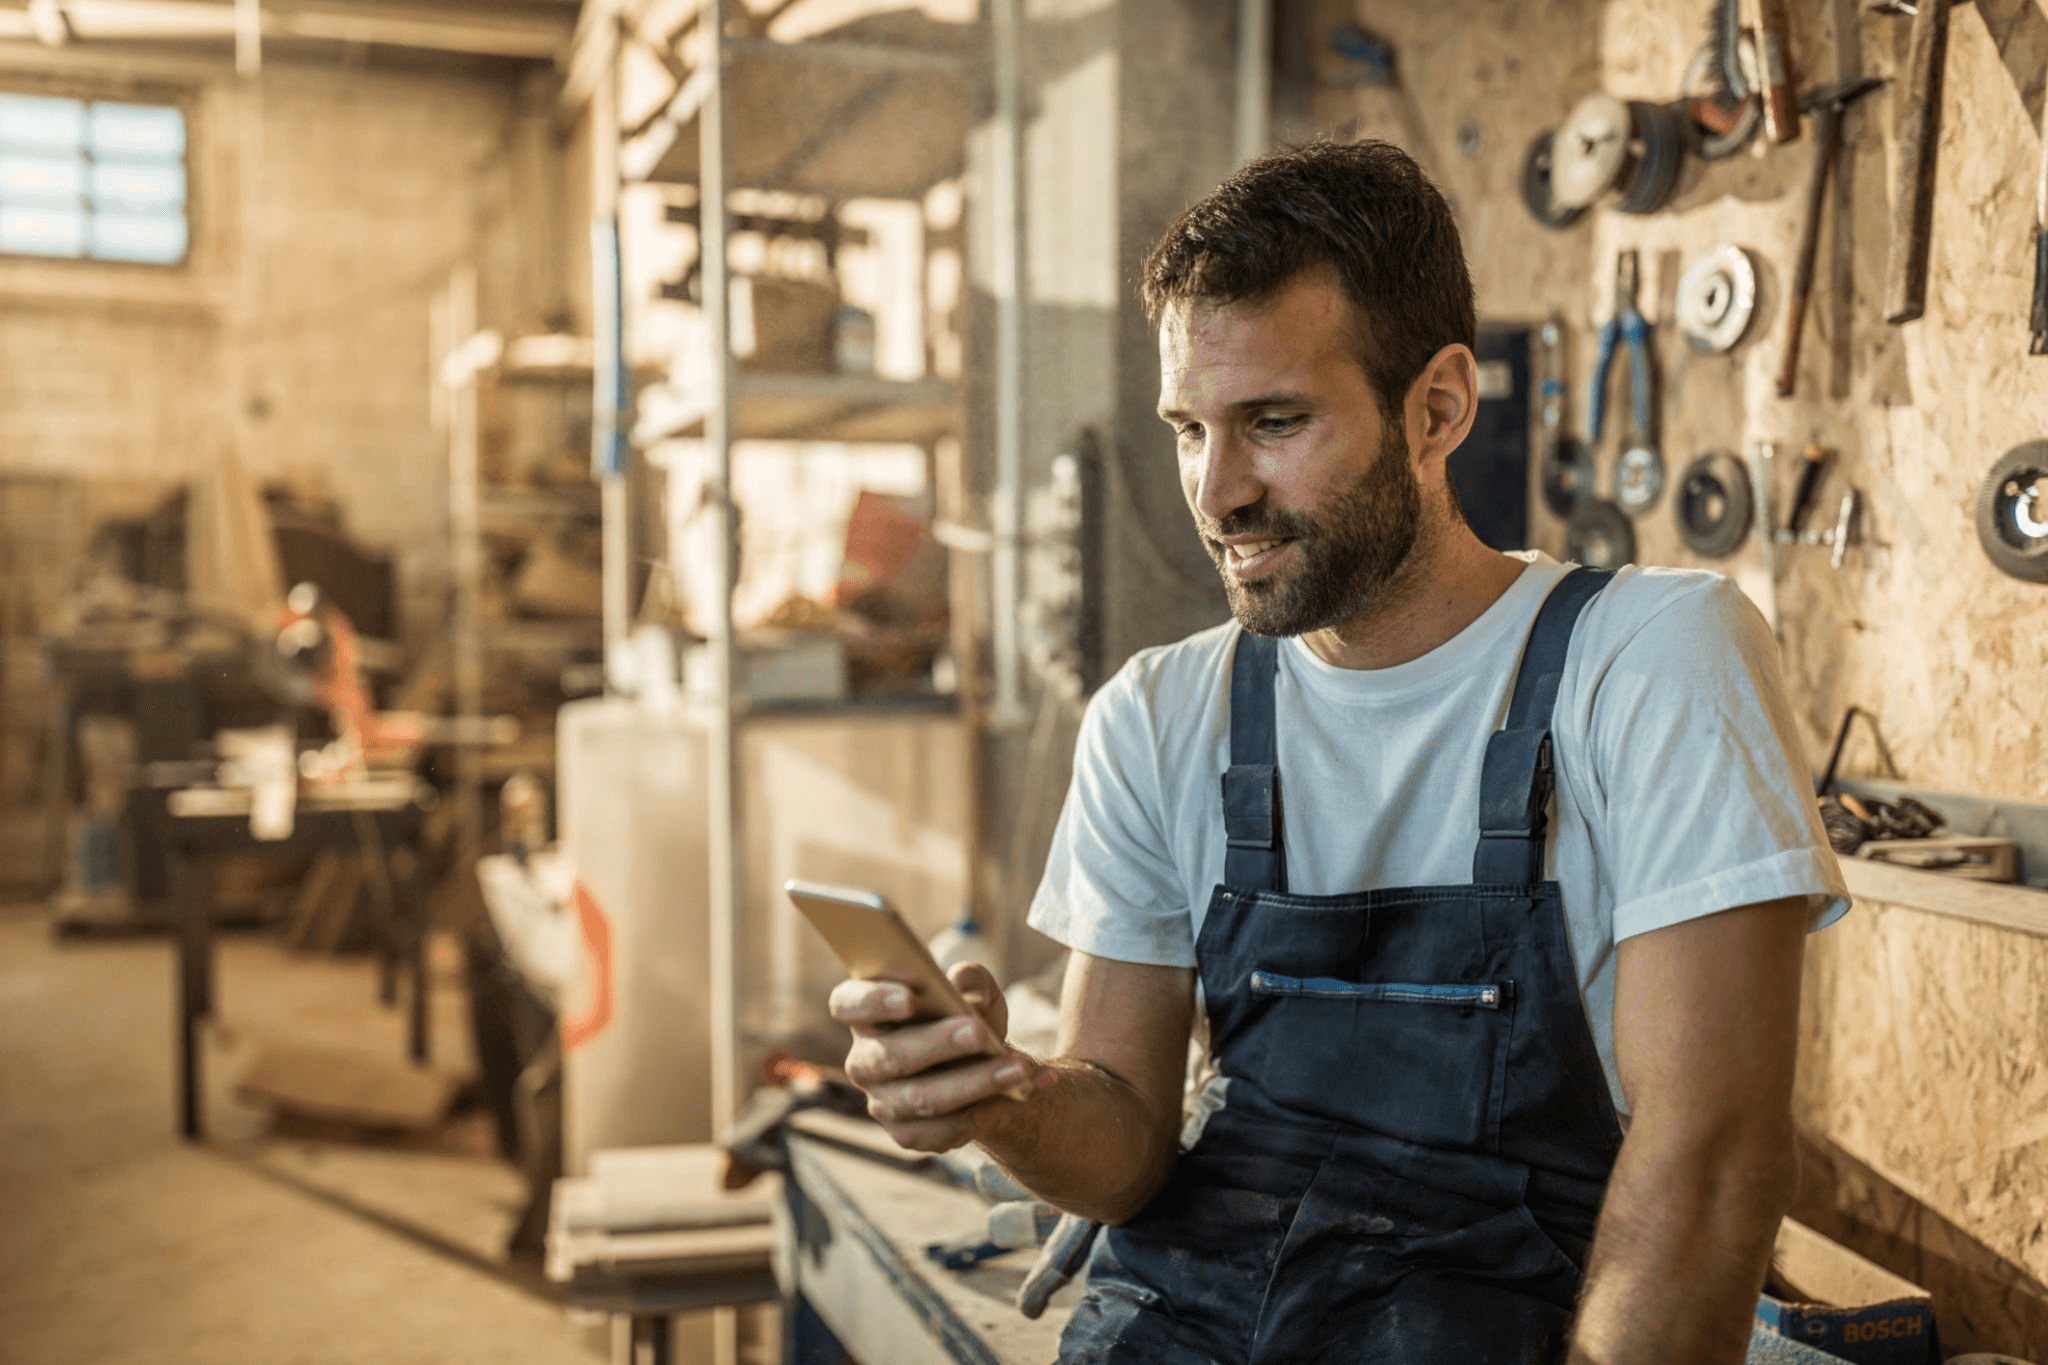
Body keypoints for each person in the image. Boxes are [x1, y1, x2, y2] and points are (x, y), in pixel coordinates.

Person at [829, 139, 1849, 1364]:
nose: (1214, 493)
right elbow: (1124, 1144)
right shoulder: (1155, 716)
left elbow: (1710, 1161)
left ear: (1436, 409)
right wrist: (1002, 1097)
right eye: (1187, 429)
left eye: (1271, 422)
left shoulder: (1648, 662)